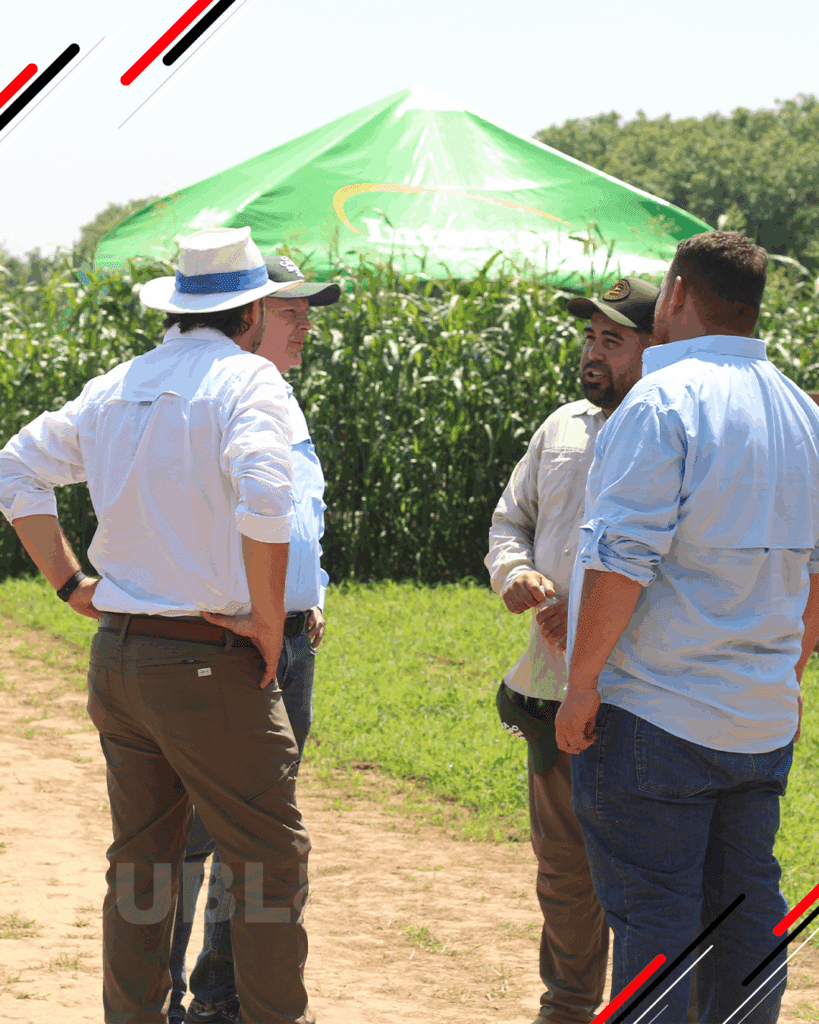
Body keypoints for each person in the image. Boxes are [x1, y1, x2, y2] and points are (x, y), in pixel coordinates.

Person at [0, 227, 316, 1024]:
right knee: (268, 862)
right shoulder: (248, 379)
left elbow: (14, 467)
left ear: (178, 307)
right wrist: (267, 621)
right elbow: (266, 495)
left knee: (142, 866)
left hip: (120, 658)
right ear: (251, 313)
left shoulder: (118, 384)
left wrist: (70, 583)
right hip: (208, 663)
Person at [556, 231, 819, 1024]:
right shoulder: (802, 411)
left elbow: (619, 560)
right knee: (745, 914)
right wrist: (787, 673)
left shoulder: (661, 400)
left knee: (656, 925)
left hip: (655, 715)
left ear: (674, 294)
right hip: (759, 719)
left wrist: (580, 685)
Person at [168, 254, 340, 1024]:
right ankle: (163, 1001)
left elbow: (299, 516)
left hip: (289, 640)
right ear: (248, 314)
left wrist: (311, 593)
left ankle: (221, 997)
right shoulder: (205, 399)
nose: (305, 324)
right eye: (290, 309)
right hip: (226, 642)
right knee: (193, 835)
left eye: (308, 311)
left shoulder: (281, 399)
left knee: (256, 835)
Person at [485, 277, 660, 1024]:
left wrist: (586, 619)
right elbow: (511, 520)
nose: (592, 353)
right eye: (590, 337)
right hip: (551, 690)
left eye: (611, 340)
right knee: (563, 873)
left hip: (641, 697)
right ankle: (565, 1008)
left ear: (656, 347)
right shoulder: (561, 427)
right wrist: (514, 572)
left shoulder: (674, 434)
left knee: (642, 878)